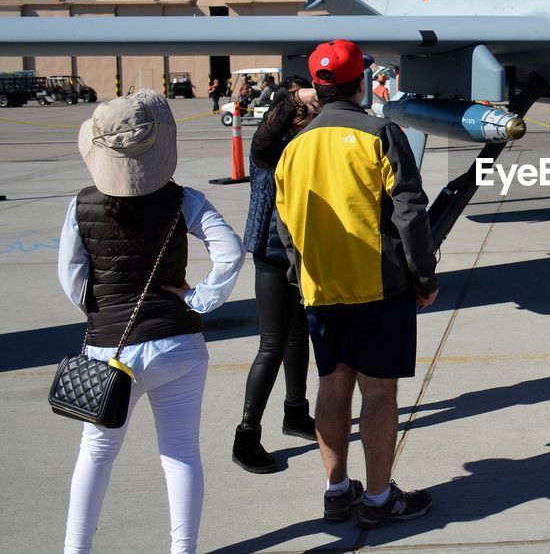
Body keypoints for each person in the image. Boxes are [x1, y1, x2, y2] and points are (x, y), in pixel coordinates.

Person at [58, 89, 246, 553]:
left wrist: (100, 310)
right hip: (176, 343)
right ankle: (183, 549)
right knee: (180, 453)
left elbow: (71, 276)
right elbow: (231, 253)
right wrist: (199, 299)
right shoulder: (185, 200)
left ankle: (74, 550)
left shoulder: (82, 204)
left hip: (109, 350)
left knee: (96, 454)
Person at [274, 39, 438, 528]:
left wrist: (300, 275)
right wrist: (423, 275)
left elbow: (285, 225)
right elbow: (409, 210)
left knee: (331, 385)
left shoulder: (294, 147)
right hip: (377, 284)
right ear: (360, 81)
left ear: (318, 88)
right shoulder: (380, 132)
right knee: (379, 392)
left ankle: (336, 489)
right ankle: (380, 497)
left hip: (319, 287)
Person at [233, 80, 321, 473]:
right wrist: (293, 99)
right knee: (271, 345)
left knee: (299, 336)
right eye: (305, 110)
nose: (311, 116)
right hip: (271, 255)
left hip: (302, 255)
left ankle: (295, 412)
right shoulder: (267, 150)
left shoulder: (311, 144)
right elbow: (270, 128)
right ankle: (246, 436)